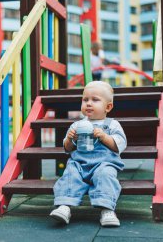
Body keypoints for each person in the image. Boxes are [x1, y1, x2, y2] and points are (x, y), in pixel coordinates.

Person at [50, 81, 127, 227]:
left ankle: (107, 209)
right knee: (70, 174)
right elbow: (67, 148)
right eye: (85, 100)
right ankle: (65, 206)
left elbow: (119, 145)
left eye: (95, 100)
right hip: (79, 163)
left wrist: (104, 137)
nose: (89, 103)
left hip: (104, 163)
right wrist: (71, 139)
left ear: (108, 107)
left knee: (106, 176)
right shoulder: (77, 125)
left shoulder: (112, 124)